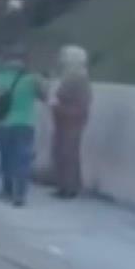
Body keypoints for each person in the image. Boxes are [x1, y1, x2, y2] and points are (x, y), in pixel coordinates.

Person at [0, 46, 46, 207]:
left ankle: (6, 190)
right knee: (22, 159)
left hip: (3, 124)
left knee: (6, 158)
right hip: (25, 123)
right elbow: (44, 97)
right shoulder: (33, 79)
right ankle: (19, 195)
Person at [50, 45, 92, 199]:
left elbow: (82, 103)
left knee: (68, 153)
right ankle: (65, 186)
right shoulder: (71, 77)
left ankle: (70, 187)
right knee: (63, 153)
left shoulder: (78, 78)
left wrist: (58, 107)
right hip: (65, 119)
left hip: (71, 120)